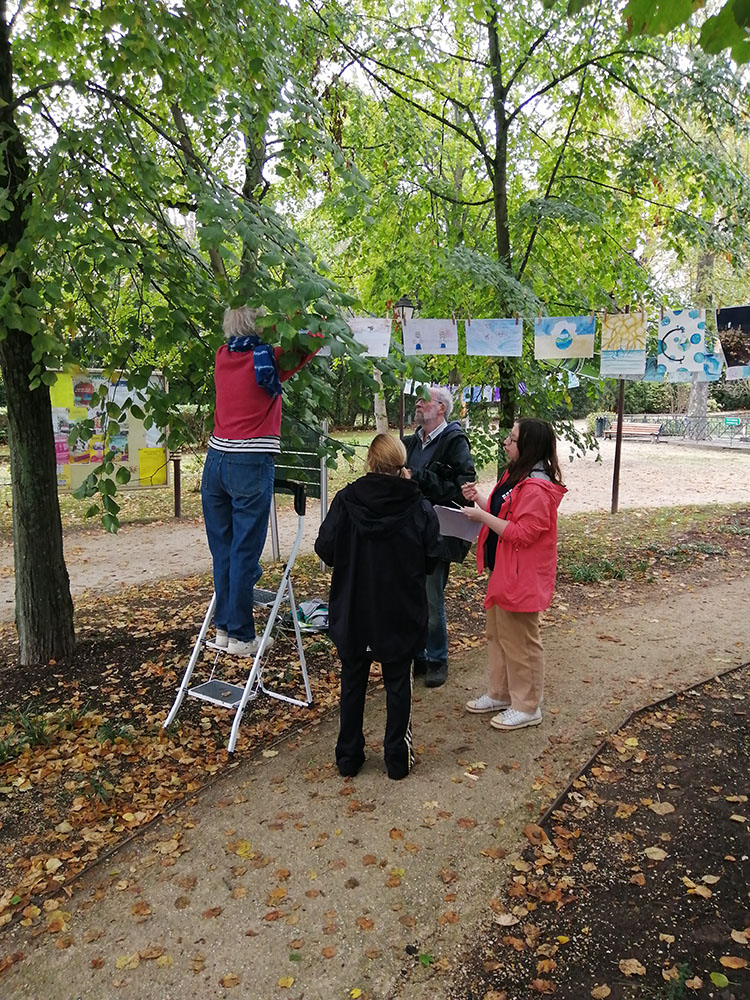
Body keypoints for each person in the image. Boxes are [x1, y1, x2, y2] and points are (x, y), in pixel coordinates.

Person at [314, 434, 441, 780]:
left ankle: (348, 756)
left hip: (356, 608)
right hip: (399, 611)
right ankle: (397, 758)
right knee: (398, 682)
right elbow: (432, 557)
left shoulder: (347, 500)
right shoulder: (419, 506)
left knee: (353, 680)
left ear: (371, 462)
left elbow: (325, 549)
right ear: (401, 464)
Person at [201, 306, 319, 657]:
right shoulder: (268, 360)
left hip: (215, 461)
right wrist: (301, 313)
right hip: (249, 461)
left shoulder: (224, 357)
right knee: (243, 551)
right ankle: (240, 635)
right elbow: (309, 342)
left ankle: (224, 627)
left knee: (223, 549)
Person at [460, 418, 566, 731]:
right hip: (503, 569)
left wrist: (481, 516)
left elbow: (522, 533)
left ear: (529, 446)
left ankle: (527, 705)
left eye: (513, 438)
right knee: (498, 635)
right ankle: (501, 693)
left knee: (521, 641)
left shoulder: (537, 488)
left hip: (522, 575)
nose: (506, 442)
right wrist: (479, 500)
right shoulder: (513, 474)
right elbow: (501, 512)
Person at [403, 385, 475, 688]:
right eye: (417, 399)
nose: (418, 404)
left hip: (439, 532)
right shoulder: (410, 443)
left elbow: (463, 490)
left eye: (424, 400)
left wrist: (418, 477)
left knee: (432, 598)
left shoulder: (454, 441)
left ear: (441, 408)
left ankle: (437, 659)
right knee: (410, 596)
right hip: (408, 531)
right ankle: (417, 656)